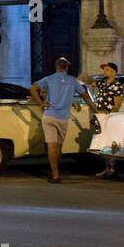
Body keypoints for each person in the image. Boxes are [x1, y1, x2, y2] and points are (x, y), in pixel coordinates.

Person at [29, 56, 98, 184]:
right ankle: (56, 172)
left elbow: (32, 88)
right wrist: (96, 109)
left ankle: (55, 175)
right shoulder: (73, 81)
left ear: (56, 67)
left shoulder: (49, 79)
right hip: (63, 118)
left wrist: (41, 103)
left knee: (51, 146)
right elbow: (86, 97)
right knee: (58, 147)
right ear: (66, 68)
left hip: (49, 115)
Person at [89, 61, 124, 178]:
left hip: (109, 117)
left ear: (113, 72)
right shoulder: (102, 83)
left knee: (110, 142)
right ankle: (107, 168)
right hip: (101, 116)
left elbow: (117, 105)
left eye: (107, 69)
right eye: (104, 70)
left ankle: (112, 169)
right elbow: (91, 83)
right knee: (103, 143)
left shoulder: (117, 85)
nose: (104, 72)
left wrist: (109, 113)